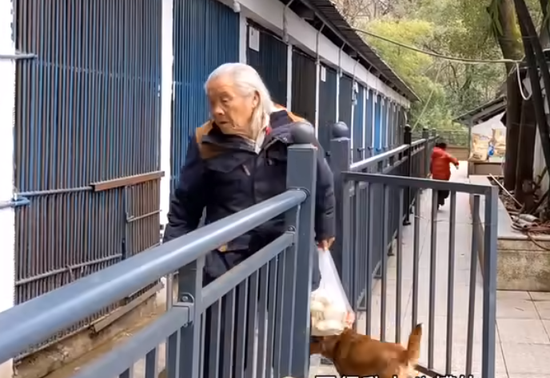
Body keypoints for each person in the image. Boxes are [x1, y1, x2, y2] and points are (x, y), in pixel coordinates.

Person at [162, 62, 336, 376]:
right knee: (223, 347)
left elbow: (321, 183)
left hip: (286, 248)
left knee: (290, 340)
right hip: (228, 255)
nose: (216, 110)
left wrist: (325, 227)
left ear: (253, 98)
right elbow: (186, 201)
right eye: (212, 101)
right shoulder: (206, 140)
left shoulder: (295, 130)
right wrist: (172, 253)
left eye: (225, 100)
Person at [430, 141, 459, 208]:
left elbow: (431, 164)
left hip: (435, 175)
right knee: (444, 188)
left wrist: (432, 171)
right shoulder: (444, 154)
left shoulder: (434, 153)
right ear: (444, 147)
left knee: (436, 188)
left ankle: (437, 200)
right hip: (444, 176)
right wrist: (456, 164)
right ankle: (441, 198)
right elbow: (452, 158)